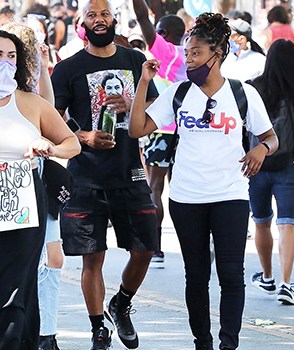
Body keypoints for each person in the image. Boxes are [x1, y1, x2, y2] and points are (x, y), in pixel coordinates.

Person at [129, 12, 278, 350]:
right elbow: (137, 129)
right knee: (196, 276)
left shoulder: (243, 94)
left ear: (218, 53)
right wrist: (142, 83)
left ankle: (229, 344)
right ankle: (203, 343)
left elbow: (271, 137)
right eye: (187, 53)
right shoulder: (179, 93)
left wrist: (261, 151)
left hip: (231, 195)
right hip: (186, 198)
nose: (189, 59)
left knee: (231, 275)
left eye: (196, 53)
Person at [50, 0, 158, 349]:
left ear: (114, 19)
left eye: (105, 14)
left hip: (130, 173)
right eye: (92, 15)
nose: (99, 20)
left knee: (145, 248)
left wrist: (134, 103)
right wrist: (84, 136)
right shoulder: (68, 69)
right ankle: (98, 327)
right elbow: (54, 120)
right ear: (82, 23)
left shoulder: (134, 61)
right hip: (86, 177)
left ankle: (121, 303)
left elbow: (157, 106)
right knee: (92, 257)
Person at [0, 29, 80, 350]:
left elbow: (70, 143)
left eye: (11, 56)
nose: (4, 62)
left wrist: (48, 147)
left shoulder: (31, 103)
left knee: (15, 285)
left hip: (20, 194)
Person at [133, 0, 186, 267]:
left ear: (163, 34)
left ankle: (156, 247)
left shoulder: (165, 51)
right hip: (187, 130)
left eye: (158, 30)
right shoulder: (191, 54)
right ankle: (193, 243)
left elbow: (142, 17)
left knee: (155, 186)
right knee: (184, 189)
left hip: (162, 129)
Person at [249, 39, 294, 306]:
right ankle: (285, 283)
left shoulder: (253, 88)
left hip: (256, 165)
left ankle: (267, 275)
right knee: (287, 224)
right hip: (288, 164)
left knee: (261, 222)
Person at [221, 18, 266, 82]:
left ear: (242, 39)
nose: (228, 40)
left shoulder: (259, 60)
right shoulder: (224, 59)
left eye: (231, 36)